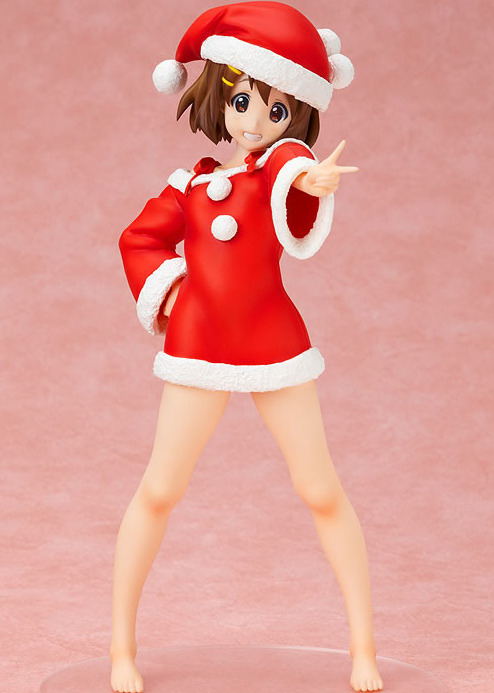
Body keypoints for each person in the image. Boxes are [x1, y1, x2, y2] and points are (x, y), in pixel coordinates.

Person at [112, 2, 383, 691]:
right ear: (218, 96)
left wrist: (311, 179)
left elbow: (293, 170)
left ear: (297, 116)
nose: (255, 123)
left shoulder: (280, 169)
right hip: (199, 342)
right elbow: (138, 238)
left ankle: (364, 649)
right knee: (160, 489)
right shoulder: (191, 187)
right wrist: (172, 289)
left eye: (277, 109)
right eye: (242, 102)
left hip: (272, 341)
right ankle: (120, 649)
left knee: (320, 489)